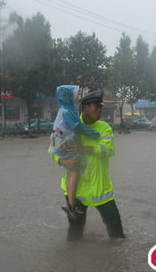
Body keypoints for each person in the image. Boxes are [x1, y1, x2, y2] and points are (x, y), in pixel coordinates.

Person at [50, 89, 125, 242]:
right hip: (76, 192)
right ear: (85, 108)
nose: (100, 110)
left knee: (117, 234)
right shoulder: (68, 125)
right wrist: (63, 162)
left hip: (101, 190)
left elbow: (108, 149)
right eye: (96, 106)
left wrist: (83, 148)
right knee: (75, 235)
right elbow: (53, 150)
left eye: (101, 107)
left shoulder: (104, 128)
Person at [49, 85, 100, 220]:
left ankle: (69, 204)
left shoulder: (62, 110)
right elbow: (78, 127)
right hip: (66, 144)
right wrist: (95, 134)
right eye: (73, 94)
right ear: (67, 96)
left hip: (58, 144)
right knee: (74, 170)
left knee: (69, 170)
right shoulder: (67, 111)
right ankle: (71, 205)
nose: (75, 97)